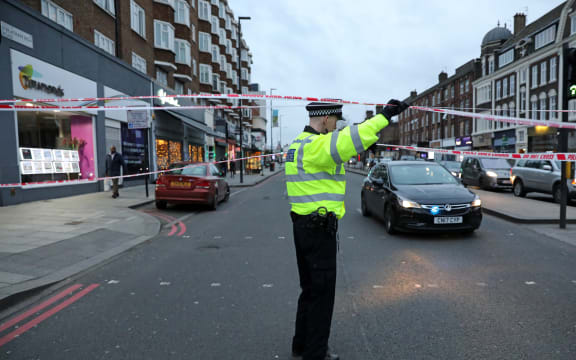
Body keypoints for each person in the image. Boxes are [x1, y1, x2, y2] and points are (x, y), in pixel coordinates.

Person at [285, 100, 409, 360]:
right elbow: (352, 138)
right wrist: (384, 115)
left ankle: (301, 344)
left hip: (302, 226)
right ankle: (315, 353)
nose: (336, 127)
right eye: (335, 122)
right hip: (319, 230)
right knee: (322, 294)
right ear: (326, 119)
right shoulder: (316, 145)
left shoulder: (297, 145)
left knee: (309, 289)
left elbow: (347, 142)